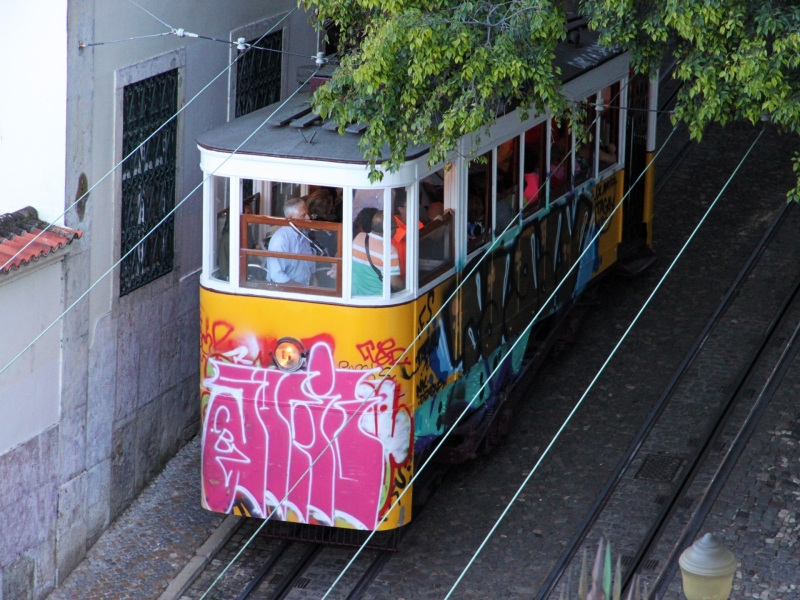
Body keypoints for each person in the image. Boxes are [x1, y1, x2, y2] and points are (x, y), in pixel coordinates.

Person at [266, 197, 316, 286]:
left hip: (306, 287)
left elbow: (309, 263)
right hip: (287, 291)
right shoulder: (280, 240)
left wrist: (314, 282)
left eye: (308, 214)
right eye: (303, 215)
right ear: (291, 218)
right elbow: (277, 276)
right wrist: (301, 290)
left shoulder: (303, 234)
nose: (308, 218)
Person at [352, 211, 402, 295]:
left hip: (355, 296)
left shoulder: (359, 237)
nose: (396, 230)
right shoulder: (389, 250)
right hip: (377, 300)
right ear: (389, 229)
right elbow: (395, 283)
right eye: (395, 227)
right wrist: (407, 287)